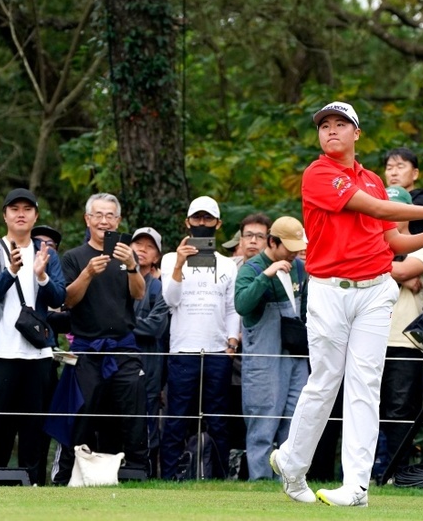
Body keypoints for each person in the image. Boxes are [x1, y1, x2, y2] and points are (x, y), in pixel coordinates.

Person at [270, 101, 423, 507]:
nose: (331, 131)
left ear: (356, 133)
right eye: (324, 125)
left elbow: (392, 242)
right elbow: (374, 209)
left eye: (341, 124)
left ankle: (356, 486)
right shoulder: (318, 173)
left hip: (376, 289)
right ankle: (292, 465)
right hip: (329, 289)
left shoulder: (375, 180)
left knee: (365, 384)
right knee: (325, 382)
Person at [0, 189, 65, 486]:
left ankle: (34, 484)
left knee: (34, 427)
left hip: (38, 355)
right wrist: (10, 271)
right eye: (14, 208)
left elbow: (60, 296)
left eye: (27, 209)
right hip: (0, 352)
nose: (21, 213)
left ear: (36, 215)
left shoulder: (47, 254)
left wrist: (41, 276)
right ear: (5, 214)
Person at [55, 193, 148, 483]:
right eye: (98, 215)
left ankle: (136, 473)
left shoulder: (125, 257)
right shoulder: (73, 257)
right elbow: (67, 301)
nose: (104, 221)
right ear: (87, 220)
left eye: (110, 216)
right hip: (87, 349)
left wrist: (132, 265)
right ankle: (67, 476)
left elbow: (139, 293)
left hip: (123, 347)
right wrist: (87, 274)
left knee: (132, 415)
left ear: (118, 221)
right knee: (79, 416)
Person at [159, 196, 240, 479]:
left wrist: (231, 341)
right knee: (177, 417)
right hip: (183, 351)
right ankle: (168, 476)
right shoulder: (170, 259)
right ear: (187, 222)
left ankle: (219, 477)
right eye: (197, 218)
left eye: (207, 219)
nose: (202, 224)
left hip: (218, 352)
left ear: (218, 224)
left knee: (218, 420)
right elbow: (171, 300)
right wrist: (180, 264)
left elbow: (232, 308)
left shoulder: (228, 265)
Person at [234, 215, 309, 480]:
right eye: (289, 247)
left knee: (295, 420)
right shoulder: (251, 269)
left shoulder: (300, 268)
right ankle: (261, 480)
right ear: (272, 242)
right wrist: (266, 276)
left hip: (295, 356)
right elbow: (242, 306)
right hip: (264, 359)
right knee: (262, 421)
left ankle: (290, 480)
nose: (295, 252)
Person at [379, 186, 423, 467]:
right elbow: (401, 272)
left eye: (395, 209)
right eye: (384, 207)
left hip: (404, 342)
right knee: (363, 408)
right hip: (370, 339)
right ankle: (361, 474)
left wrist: (375, 265)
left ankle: (397, 472)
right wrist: (400, 273)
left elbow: (403, 271)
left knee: (399, 411)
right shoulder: (369, 240)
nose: (388, 214)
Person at [129, 227, 169, 476]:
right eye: (137, 244)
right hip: (118, 361)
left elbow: (156, 326)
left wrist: (120, 325)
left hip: (150, 364)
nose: (142, 250)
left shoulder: (159, 288)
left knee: (148, 420)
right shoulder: (115, 282)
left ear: (156, 257)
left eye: (149, 246)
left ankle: (145, 472)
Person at [383, 147, 423, 235]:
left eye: (400, 167)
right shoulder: (379, 198)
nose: (393, 173)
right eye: (389, 168)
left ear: (415, 173)